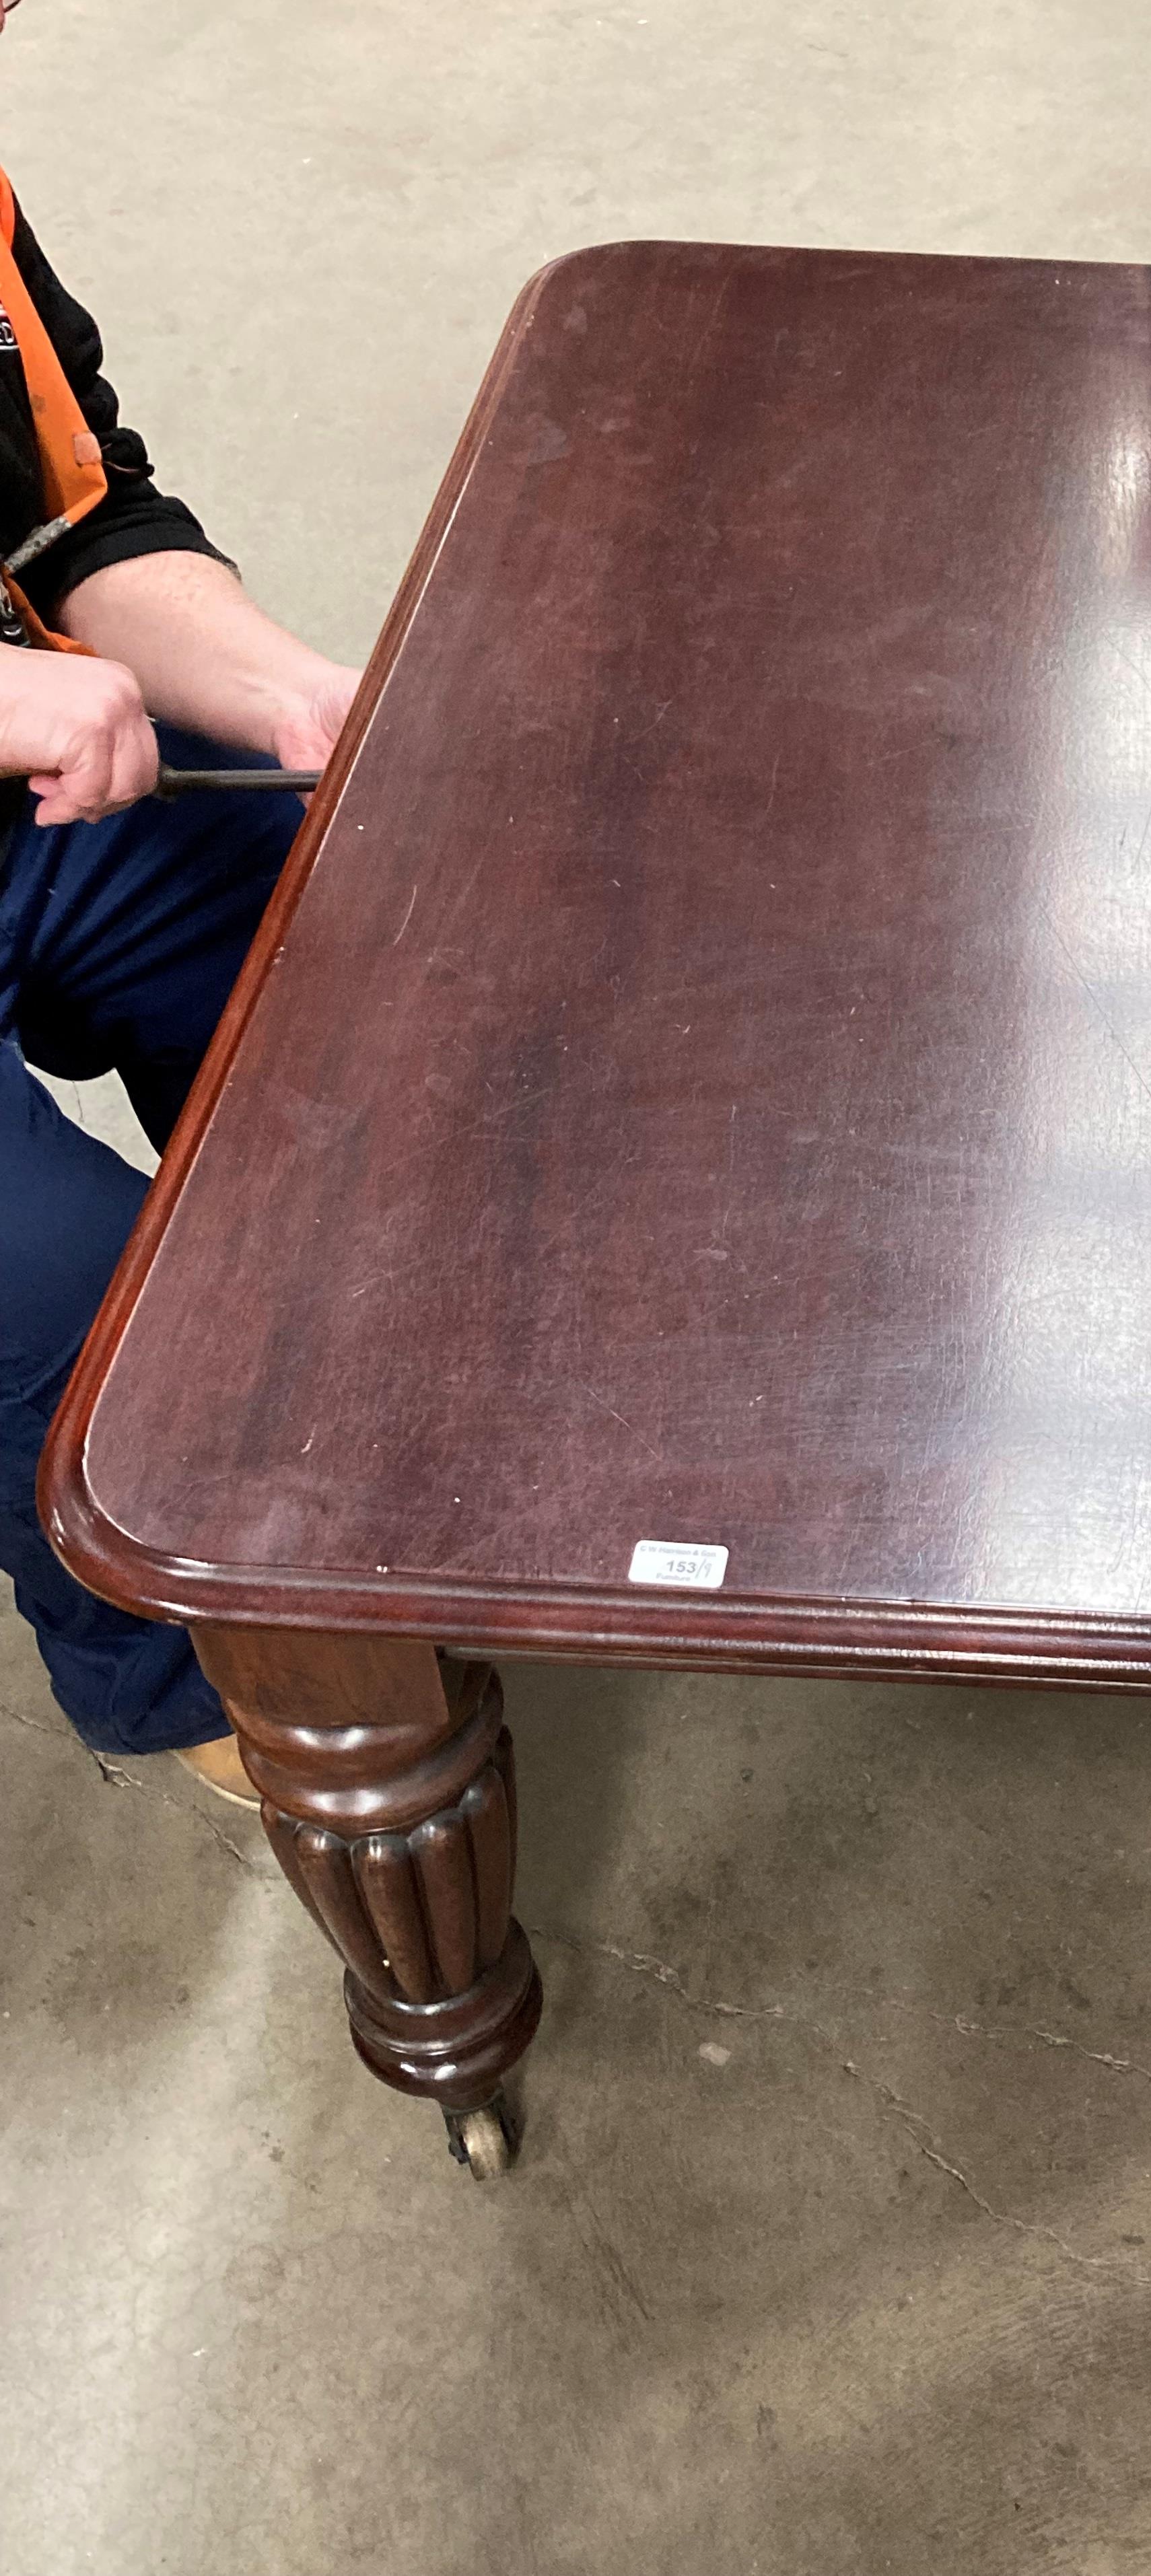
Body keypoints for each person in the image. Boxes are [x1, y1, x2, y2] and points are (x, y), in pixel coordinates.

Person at [0, 75, 359, 1802]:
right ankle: (168, 1667)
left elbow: (78, 519)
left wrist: (296, 690)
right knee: (67, 1289)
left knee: (342, 967)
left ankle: (333, 1423)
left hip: (25, 805)